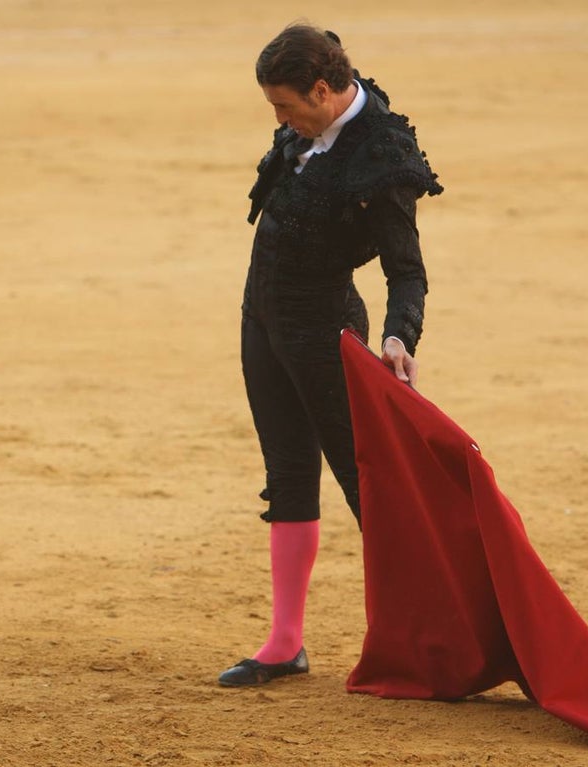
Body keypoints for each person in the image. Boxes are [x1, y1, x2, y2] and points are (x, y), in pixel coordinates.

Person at [219, 24, 443, 687]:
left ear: (323, 89)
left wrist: (399, 336)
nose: (280, 121)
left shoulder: (384, 156)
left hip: (323, 333)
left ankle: (429, 641)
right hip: (261, 316)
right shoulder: (316, 113)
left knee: (368, 487)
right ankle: (285, 642)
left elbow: (407, 271)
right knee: (287, 473)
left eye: (286, 106)